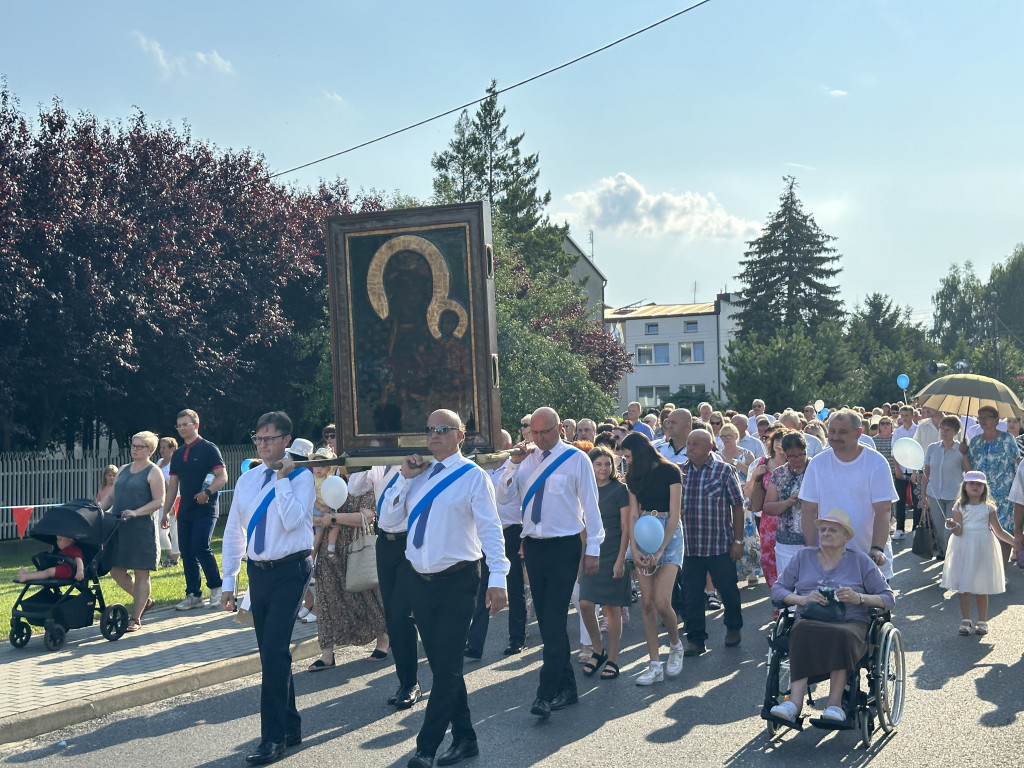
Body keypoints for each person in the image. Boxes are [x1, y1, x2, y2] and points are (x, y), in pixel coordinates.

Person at [380, 409, 509, 768]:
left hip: (458, 581)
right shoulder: (417, 475)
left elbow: (490, 530)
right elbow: (389, 521)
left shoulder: (473, 476)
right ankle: (466, 738)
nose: (434, 435)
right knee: (443, 668)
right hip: (419, 582)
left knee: (448, 665)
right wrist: (404, 478)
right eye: (430, 429)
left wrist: (498, 578)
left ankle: (426, 748)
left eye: (443, 429)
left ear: (460, 435)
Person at [497, 406, 604, 719]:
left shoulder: (575, 459)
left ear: (560, 429)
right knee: (546, 621)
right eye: (535, 431)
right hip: (532, 546)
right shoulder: (523, 461)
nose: (540, 437)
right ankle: (568, 689)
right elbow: (503, 498)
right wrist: (512, 465)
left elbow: (591, 507)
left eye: (546, 431)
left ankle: (545, 693)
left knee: (555, 618)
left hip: (565, 546)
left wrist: (594, 548)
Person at [220, 411, 314, 766]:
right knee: (272, 653)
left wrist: (283, 479)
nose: (263, 445)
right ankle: (291, 726)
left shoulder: (302, 477)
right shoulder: (247, 480)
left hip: (292, 569)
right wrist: (230, 581)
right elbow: (234, 532)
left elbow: (292, 522)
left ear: (286, 440)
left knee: (274, 651)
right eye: (258, 439)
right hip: (258, 572)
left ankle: (272, 738)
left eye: (270, 438)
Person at [769, 510, 895, 724]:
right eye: (823, 529)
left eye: (832, 530)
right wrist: (802, 599)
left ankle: (834, 704)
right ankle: (794, 703)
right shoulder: (803, 557)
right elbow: (778, 589)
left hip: (850, 622)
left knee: (841, 634)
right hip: (811, 619)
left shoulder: (861, 561)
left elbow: (888, 598)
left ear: (846, 537)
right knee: (800, 630)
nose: (825, 533)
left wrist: (860, 598)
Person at [799, 410, 897, 580]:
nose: (835, 437)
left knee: (873, 605)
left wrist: (877, 548)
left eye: (842, 432)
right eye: (832, 431)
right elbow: (808, 510)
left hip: (869, 558)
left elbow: (883, 510)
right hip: (830, 559)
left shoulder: (876, 463)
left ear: (859, 432)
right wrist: (811, 551)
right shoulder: (817, 464)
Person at [619, 432, 684, 684]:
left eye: (627, 455)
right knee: (646, 603)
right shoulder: (632, 477)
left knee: (661, 601)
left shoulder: (671, 471)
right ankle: (654, 663)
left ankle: (676, 645)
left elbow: (675, 515)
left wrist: (659, 552)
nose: (625, 461)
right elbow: (633, 515)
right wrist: (634, 549)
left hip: (669, 534)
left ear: (639, 451)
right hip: (643, 531)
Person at [307, 469, 388, 670]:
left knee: (367, 595)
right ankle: (327, 654)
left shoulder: (369, 480)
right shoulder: (331, 480)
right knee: (326, 598)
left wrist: (334, 519)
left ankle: (383, 639)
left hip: (357, 546)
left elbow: (368, 516)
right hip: (329, 548)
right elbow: (320, 513)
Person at [678, 429, 745, 656]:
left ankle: (733, 627)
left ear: (709, 447)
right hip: (690, 547)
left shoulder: (724, 471)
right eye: (688, 443)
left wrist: (738, 540)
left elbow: (737, 506)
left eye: (695, 444)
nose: (690, 448)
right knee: (691, 595)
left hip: (719, 545)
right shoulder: (680, 473)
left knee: (728, 590)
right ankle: (696, 639)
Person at [466, 430, 527, 659]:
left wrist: (524, 536)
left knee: (513, 586)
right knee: (482, 588)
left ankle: (516, 638)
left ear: (507, 446)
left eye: (495, 444)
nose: (488, 449)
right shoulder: (478, 469)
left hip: (511, 532)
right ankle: (474, 644)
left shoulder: (517, 467)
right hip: (483, 535)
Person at [164, 409, 228, 610]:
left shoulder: (209, 448)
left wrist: (207, 492)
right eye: (179, 425)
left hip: (206, 508)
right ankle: (193, 594)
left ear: (196, 425)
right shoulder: (178, 454)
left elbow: (222, 477)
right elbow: (173, 486)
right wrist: (166, 511)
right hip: (185, 510)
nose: (182, 428)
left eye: (186, 424)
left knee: (200, 546)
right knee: (186, 551)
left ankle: (216, 588)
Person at [102, 431, 165, 632]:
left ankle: (135, 618)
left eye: (140, 446)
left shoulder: (154, 472)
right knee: (116, 570)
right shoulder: (123, 469)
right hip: (120, 529)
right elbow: (111, 495)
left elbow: (159, 501)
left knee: (141, 573)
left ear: (151, 450)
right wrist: (97, 510)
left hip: (141, 530)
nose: (135, 449)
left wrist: (136, 512)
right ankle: (144, 600)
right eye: (133, 445)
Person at [577, 446, 631, 681]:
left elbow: (626, 527)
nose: (603, 468)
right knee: (585, 604)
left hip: (613, 552)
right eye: (598, 464)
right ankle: (598, 650)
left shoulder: (620, 490)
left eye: (607, 464)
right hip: (590, 553)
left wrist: (621, 559)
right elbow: (581, 526)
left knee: (612, 608)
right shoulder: (583, 489)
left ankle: (614, 660)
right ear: (591, 466)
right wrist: (580, 560)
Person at [940, 471, 1015, 636]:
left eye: (979, 484)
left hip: (983, 547)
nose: (975, 486)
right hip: (964, 547)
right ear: (965, 487)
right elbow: (958, 532)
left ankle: (982, 621)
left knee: (982, 586)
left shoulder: (988, 508)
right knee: (964, 586)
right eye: (972, 483)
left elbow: (999, 531)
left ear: (984, 488)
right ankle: (965, 620)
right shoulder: (959, 507)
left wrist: (1015, 543)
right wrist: (953, 525)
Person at [964, 404, 1021, 564]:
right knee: (982, 534)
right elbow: (969, 472)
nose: (982, 420)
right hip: (981, 496)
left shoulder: (1007, 439)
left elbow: (1017, 467)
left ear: (996, 420)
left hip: (1005, 496)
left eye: (986, 417)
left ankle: (1001, 572)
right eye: (980, 417)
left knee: (1004, 534)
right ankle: (985, 571)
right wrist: (964, 454)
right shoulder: (975, 442)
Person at [762, 432, 810, 579]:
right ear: (785, 454)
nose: (797, 459)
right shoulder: (779, 473)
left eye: (801, 454)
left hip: (815, 539)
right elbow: (768, 507)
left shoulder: (816, 469)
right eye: (792, 456)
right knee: (789, 587)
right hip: (786, 542)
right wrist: (788, 502)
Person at [747, 425, 787, 588]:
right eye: (776, 440)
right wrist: (756, 475)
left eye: (782, 441)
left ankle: (791, 598)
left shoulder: (796, 462)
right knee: (769, 559)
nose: (778, 444)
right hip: (768, 519)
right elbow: (748, 491)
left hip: (790, 518)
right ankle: (777, 597)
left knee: (790, 559)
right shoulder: (762, 462)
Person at [921, 416, 964, 559]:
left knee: (949, 529)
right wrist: (923, 496)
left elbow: (969, 472)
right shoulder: (932, 448)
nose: (943, 432)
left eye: (948, 429)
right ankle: (944, 551)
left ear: (956, 432)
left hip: (954, 495)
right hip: (934, 494)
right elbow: (926, 473)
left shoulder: (961, 450)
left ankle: (952, 554)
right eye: (942, 428)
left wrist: (965, 454)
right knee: (939, 528)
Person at [17, 534, 84, 583]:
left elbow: (78, 560)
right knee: (45, 571)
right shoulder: (62, 550)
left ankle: (26, 577)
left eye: (60, 539)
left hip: (67, 571)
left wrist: (80, 571)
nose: (57, 541)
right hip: (61, 568)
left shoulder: (73, 549)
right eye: (57, 539)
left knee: (48, 572)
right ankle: (26, 574)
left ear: (71, 539)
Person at [156, 437, 180, 568]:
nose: (161, 450)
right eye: (160, 447)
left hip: (174, 499)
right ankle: (170, 553)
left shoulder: (175, 463)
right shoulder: (159, 462)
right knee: (160, 531)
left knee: (174, 531)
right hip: (161, 501)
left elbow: (174, 484)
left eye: (164, 447)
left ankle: (175, 557)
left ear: (172, 448)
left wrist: (172, 504)